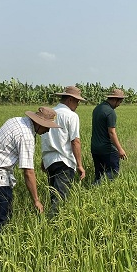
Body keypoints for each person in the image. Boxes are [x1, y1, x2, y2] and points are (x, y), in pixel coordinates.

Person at [0, 107, 60, 232]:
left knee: (4, 211)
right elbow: (28, 172)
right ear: (39, 123)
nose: (48, 130)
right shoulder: (26, 136)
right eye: (47, 126)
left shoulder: (16, 120)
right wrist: (36, 200)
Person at [41, 86, 86, 215]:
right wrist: (80, 165)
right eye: (77, 101)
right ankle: (53, 227)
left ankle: (50, 225)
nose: (78, 105)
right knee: (60, 200)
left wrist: (43, 159)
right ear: (70, 99)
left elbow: (45, 138)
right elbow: (75, 141)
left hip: (49, 161)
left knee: (54, 195)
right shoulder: (71, 116)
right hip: (64, 162)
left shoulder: (49, 114)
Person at [90, 88, 127, 183]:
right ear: (115, 100)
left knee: (99, 174)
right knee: (113, 172)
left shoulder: (97, 108)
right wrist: (120, 149)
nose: (119, 105)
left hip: (95, 148)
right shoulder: (110, 112)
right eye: (120, 102)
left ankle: (95, 192)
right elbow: (111, 132)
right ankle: (95, 186)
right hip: (107, 149)